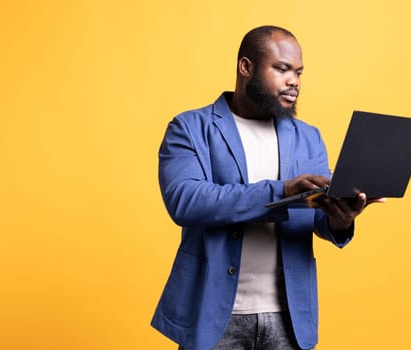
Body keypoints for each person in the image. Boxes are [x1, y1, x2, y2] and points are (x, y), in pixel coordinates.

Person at [151, 25, 382, 350]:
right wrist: (282, 192)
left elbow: (317, 217)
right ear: (246, 67)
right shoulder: (190, 128)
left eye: (299, 72)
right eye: (282, 69)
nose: (294, 82)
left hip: (289, 318)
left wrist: (340, 219)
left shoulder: (308, 137)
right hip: (214, 315)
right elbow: (186, 201)